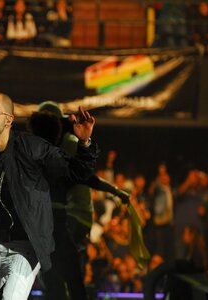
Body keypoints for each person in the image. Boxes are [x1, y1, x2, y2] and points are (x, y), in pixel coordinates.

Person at [0, 92, 98, 299]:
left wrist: (85, 143)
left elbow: (76, 171)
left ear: (9, 120)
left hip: (26, 247)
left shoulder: (32, 147)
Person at [28, 101, 130, 300]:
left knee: (55, 277)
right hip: (65, 219)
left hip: (53, 222)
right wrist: (85, 143)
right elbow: (85, 174)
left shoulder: (31, 152)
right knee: (69, 278)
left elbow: (84, 174)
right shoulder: (56, 152)